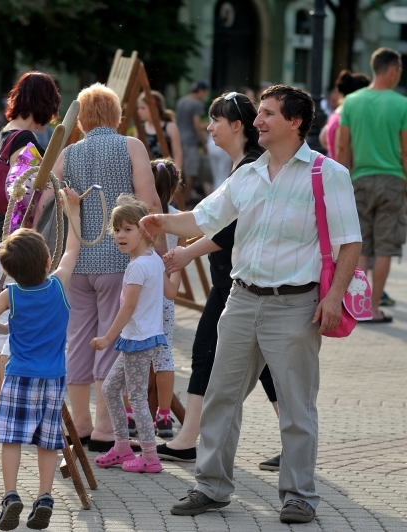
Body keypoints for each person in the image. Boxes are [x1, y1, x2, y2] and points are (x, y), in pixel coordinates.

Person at [142, 85, 361, 524]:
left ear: (295, 122)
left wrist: (334, 296)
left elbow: (350, 242)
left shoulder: (326, 173)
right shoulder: (248, 174)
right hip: (241, 300)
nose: (257, 121)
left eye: (267, 114)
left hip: (296, 305)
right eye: (258, 113)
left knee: (298, 406)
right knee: (222, 397)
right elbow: (205, 218)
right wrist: (160, 220)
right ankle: (211, 487)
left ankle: (298, 495)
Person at [157, 91, 280, 471]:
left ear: (236, 126)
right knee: (262, 367)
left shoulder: (253, 166)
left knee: (206, 352)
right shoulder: (246, 164)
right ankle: (294, 439)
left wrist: (186, 251)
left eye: (216, 120)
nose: (209, 127)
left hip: (240, 283)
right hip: (235, 280)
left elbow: (227, 230)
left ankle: (188, 439)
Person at [49, 83, 161, 453]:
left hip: (77, 259)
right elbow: (149, 198)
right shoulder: (131, 147)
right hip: (118, 259)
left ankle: (78, 423)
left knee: (79, 340)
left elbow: (48, 195)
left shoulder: (69, 153)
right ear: (116, 116)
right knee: (111, 339)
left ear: (80, 120)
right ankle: (104, 427)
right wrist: (159, 250)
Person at [0, 189, 82, 532]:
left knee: (11, 438)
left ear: (9, 270)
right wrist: (72, 212)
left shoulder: (11, 294)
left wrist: (5, 325)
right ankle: (45, 496)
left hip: (19, 375)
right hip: (53, 378)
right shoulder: (57, 286)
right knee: (48, 441)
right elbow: (73, 250)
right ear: (47, 262)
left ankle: (10, 495)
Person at [0, 71, 61, 426]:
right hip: (10, 241)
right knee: (13, 335)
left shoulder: (6, 132)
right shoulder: (27, 137)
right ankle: (7, 405)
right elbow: (20, 188)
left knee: (3, 327)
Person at [92, 195, 179, 474]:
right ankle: (121, 446)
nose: (120, 235)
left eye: (128, 229)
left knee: (138, 397)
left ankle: (150, 457)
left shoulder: (138, 266)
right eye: (117, 230)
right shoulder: (151, 259)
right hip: (141, 337)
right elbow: (171, 292)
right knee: (110, 389)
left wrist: (107, 338)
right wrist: (174, 267)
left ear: (144, 232)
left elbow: (128, 307)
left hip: (138, 339)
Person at [337, 47, 407, 324]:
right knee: (385, 247)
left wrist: (343, 183)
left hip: (360, 180)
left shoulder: (352, 102)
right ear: (392, 71)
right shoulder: (402, 104)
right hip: (392, 181)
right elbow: (405, 152)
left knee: (361, 246)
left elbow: (343, 147)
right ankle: (374, 307)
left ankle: (359, 307)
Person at [147, 159, 183, 439]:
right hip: (165, 295)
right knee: (164, 355)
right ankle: (163, 415)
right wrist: (172, 292)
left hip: (140, 292)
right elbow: (177, 265)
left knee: (131, 353)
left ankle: (131, 414)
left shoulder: (140, 216)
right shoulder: (177, 219)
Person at [319, 71, 369, 160]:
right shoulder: (346, 116)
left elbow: (323, 138)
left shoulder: (337, 112)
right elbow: (342, 148)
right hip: (346, 171)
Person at [175, 81, 209, 202]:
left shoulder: (181, 101)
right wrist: (204, 142)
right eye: (205, 92)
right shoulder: (196, 104)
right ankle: (185, 200)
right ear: (201, 91)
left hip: (179, 140)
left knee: (179, 170)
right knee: (191, 172)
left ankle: (176, 198)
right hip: (191, 142)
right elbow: (196, 124)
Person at [136, 91, 183, 171]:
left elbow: (177, 154)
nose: (139, 111)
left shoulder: (169, 126)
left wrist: (176, 176)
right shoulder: (140, 129)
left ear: (154, 108)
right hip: (147, 173)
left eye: (143, 108)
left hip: (166, 174)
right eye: (139, 108)